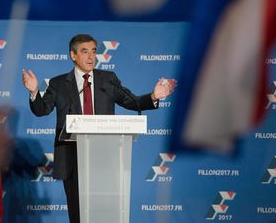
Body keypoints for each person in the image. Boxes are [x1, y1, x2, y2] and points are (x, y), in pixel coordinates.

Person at [22, 34, 176, 223]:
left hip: (105, 156)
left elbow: (131, 101)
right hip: (72, 157)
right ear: (73, 55)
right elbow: (41, 109)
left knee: (104, 213)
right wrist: (34, 91)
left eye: (93, 52)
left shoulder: (108, 79)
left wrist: (154, 96)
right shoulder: (59, 84)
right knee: (78, 214)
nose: (90, 57)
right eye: (84, 52)